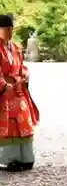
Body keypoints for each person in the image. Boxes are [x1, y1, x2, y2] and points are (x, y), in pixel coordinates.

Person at [0, 14, 39, 171]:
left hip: (18, 91)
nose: (9, 31)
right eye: (5, 28)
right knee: (8, 126)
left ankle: (26, 157)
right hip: (4, 94)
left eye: (11, 28)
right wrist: (4, 84)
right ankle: (6, 159)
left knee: (24, 122)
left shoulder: (15, 48)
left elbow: (21, 66)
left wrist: (24, 74)